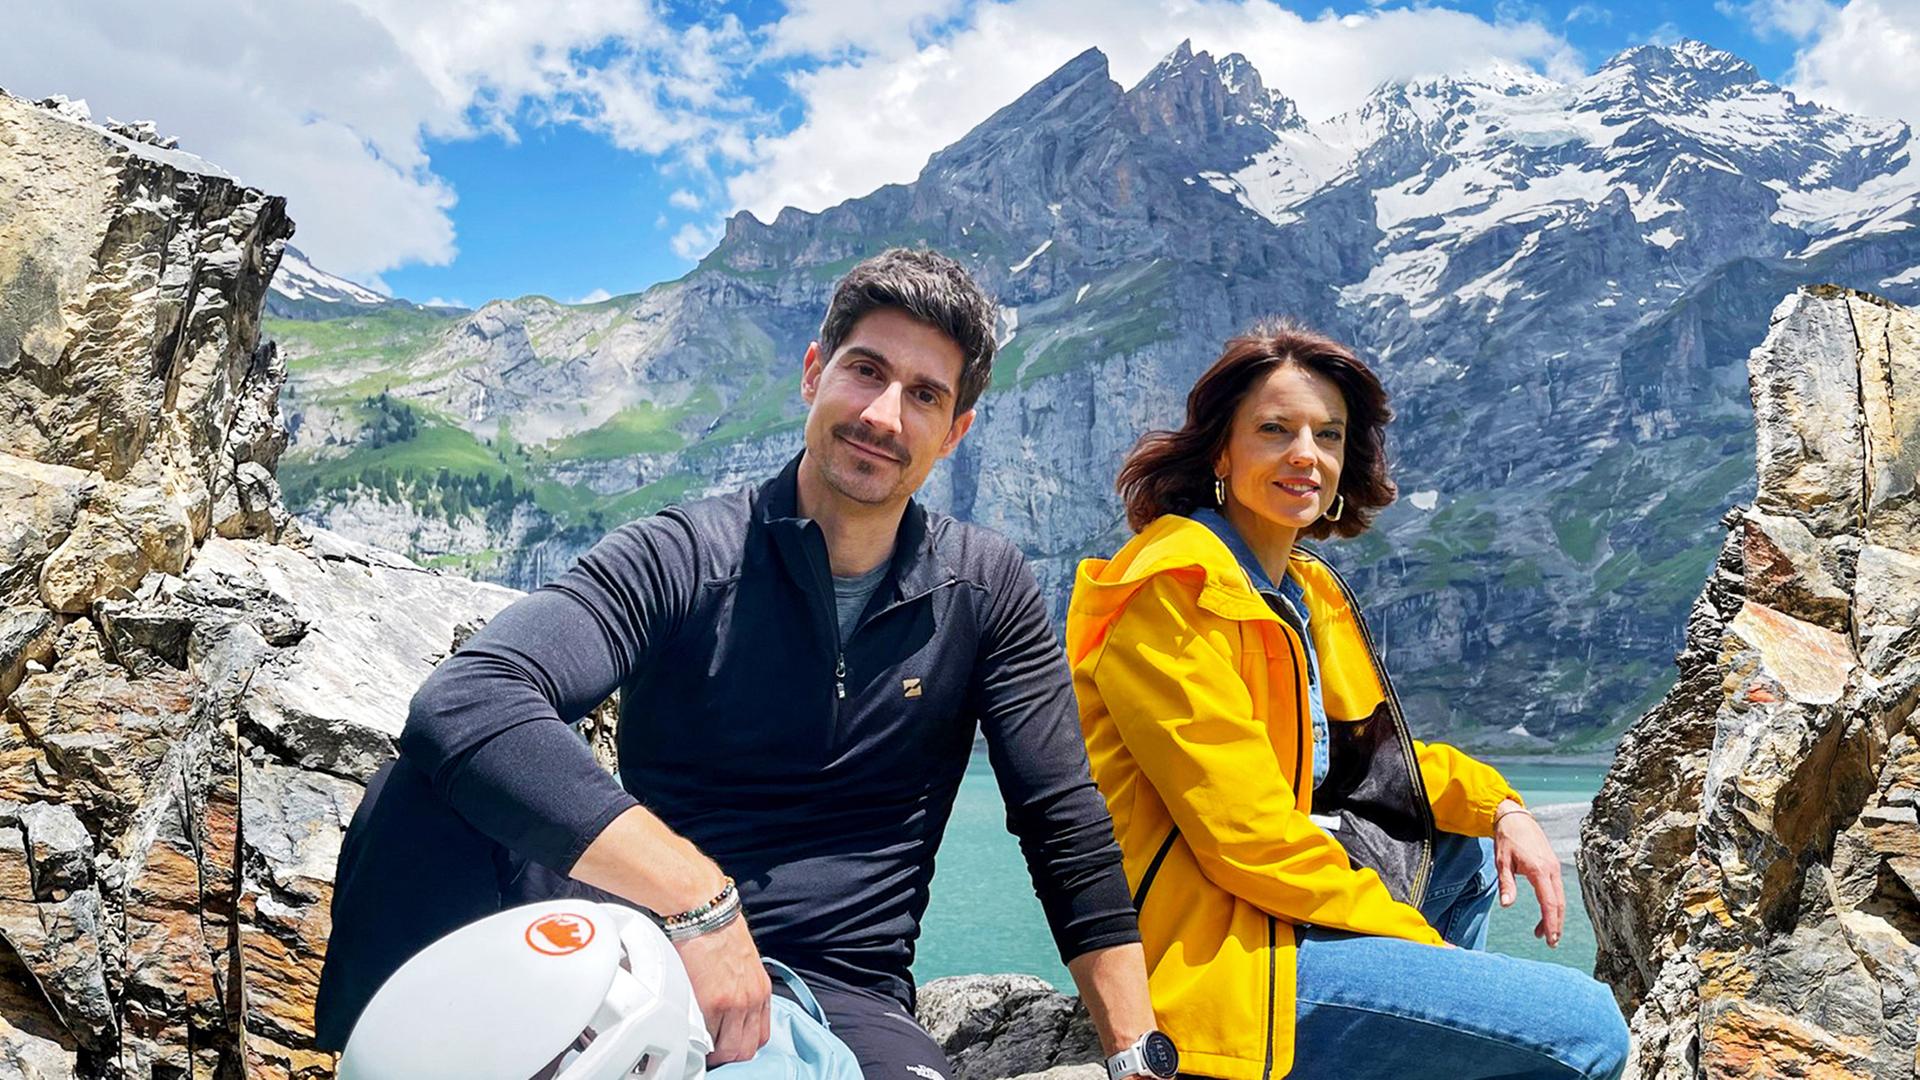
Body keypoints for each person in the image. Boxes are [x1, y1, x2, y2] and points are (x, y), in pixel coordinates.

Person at [313, 249, 1169, 1077]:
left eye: (923, 395)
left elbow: (1064, 823)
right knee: (423, 784)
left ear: (955, 433)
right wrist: (698, 900)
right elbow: (470, 700)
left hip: (843, 989)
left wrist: (1135, 1057)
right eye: (865, 371)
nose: (882, 414)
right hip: (640, 944)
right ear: (813, 373)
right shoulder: (687, 551)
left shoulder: (985, 587)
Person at [1063, 321, 1631, 1080]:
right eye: (1275, 430)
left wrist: (1502, 807)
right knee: (1588, 1027)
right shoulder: (1172, 591)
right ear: (1222, 453)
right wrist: (1416, 950)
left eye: (1327, 435)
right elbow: (1247, 837)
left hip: (1281, 925)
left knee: (1456, 847)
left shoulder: (1303, 591)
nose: (1307, 454)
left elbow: (1375, 770)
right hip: (1220, 961)